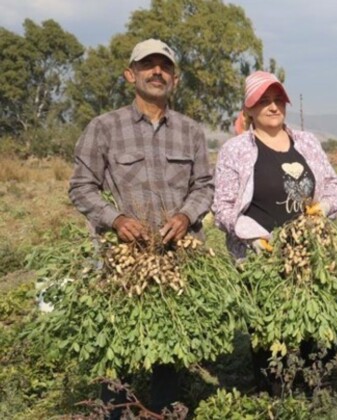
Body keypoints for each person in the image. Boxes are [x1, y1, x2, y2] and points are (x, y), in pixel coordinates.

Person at [69, 39, 214, 415]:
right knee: (117, 345)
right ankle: (115, 410)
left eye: (164, 67)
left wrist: (185, 217)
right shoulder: (104, 127)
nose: (156, 72)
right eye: (147, 65)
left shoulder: (191, 131)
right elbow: (81, 187)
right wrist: (114, 219)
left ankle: (165, 409)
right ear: (129, 74)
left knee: (167, 346)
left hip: (174, 260)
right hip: (123, 262)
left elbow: (205, 186)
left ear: (175, 79)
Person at [211, 70, 337, 392]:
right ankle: (275, 399)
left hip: (309, 254)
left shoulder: (307, 142)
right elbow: (223, 206)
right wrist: (253, 237)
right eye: (263, 101)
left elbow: (332, 185)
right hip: (262, 262)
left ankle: (313, 396)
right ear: (249, 110)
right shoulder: (236, 150)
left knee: (313, 330)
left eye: (277, 100)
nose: (272, 107)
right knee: (270, 338)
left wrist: (323, 208)